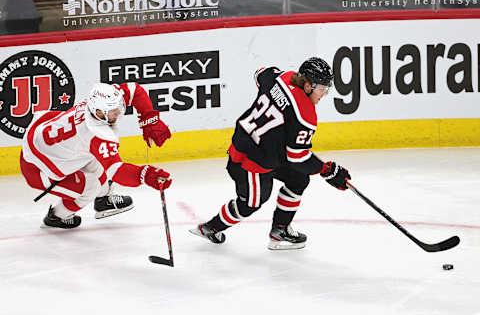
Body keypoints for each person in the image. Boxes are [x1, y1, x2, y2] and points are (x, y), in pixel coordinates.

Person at [190, 57, 351, 250]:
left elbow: (260, 74)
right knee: (251, 204)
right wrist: (327, 170)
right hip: (252, 162)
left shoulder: (282, 77)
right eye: (322, 89)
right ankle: (210, 228)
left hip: (260, 149)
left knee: (299, 180)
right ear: (308, 85)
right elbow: (298, 157)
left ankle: (280, 230)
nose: (324, 94)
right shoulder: (305, 114)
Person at [20, 82, 172, 229]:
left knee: (98, 161)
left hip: (45, 142)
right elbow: (117, 171)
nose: (119, 111)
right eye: (114, 110)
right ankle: (57, 216)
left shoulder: (98, 104)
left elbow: (134, 90)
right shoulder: (95, 133)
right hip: (37, 168)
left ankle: (103, 200)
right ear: (99, 112)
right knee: (91, 187)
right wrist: (147, 175)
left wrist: (150, 120)